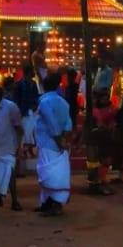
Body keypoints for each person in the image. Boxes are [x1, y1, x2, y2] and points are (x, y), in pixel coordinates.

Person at [35, 72, 73, 216]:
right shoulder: (64, 102)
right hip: (57, 143)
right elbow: (68, 124)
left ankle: (55, 205)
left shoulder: (44, 102)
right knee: (52, 174)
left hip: (49, 143)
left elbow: (52, 124)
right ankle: (47, 203)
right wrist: (63, 140)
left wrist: (58, 141)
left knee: (50, 175)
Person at [13, 63, 40, 170]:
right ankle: (22, 155)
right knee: (23, 134)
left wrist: (34, 106)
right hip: (23, 112)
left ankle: (28, 152)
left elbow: (36, 97)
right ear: (28, 72)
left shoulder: (33, 83)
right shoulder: (19, 84)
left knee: (31, 132)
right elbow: (16, 99)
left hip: (31, 112)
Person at [90, 89, 117, 194]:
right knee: (100, 160)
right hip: (99, 137)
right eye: (103, 98)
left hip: (108, 136)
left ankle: (102, 180)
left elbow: (114, 121)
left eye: (106, 98)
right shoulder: (95, 110)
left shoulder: (112, 108)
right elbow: (97, 123)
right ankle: (100, 182)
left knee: (107, 160)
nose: (105, 100)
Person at [64, 69, 81, 137]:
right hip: (69, 106)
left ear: (72, 77)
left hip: (72, 106)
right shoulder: (68, 86)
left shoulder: (75, 86)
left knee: (72, 122)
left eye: (68, 76)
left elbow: (72, 97)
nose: (67, 78)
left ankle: (73, 136)